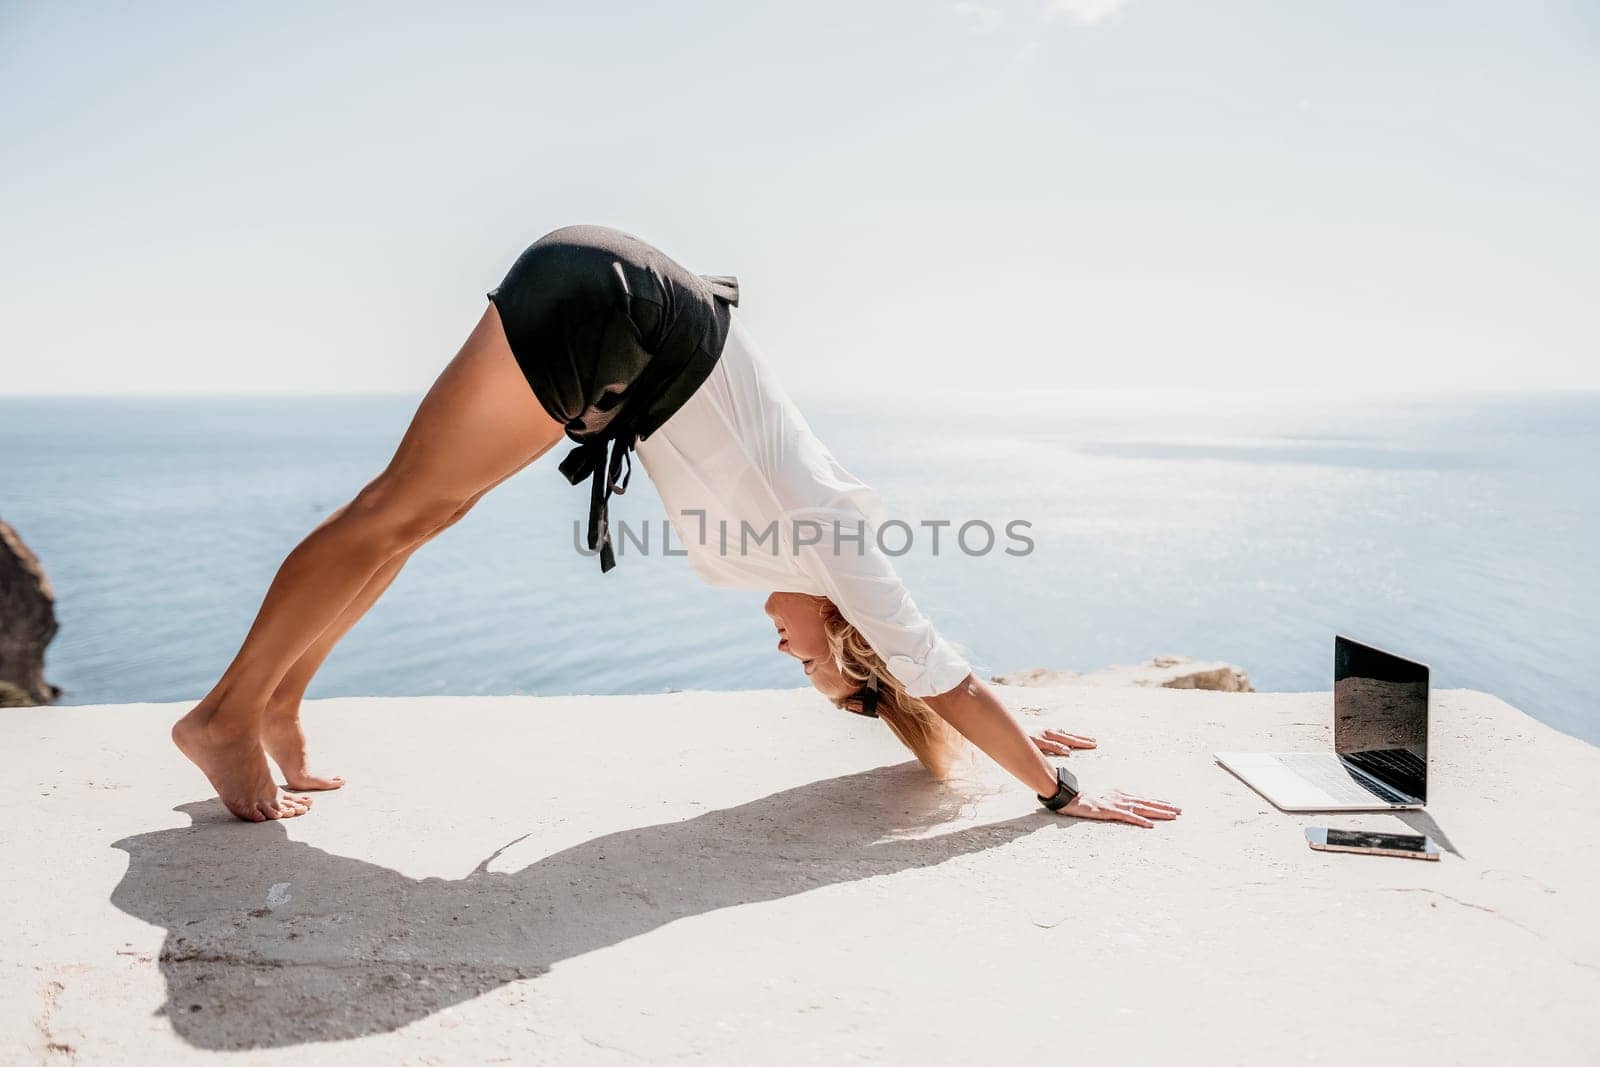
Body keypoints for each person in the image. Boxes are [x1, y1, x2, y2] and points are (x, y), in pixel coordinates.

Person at [172, 225, 1181, 829]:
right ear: (847, 638)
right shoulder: (839, 547)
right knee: (399, 505)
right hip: (626, 312)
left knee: (418, 512)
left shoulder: (797, 554)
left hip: (632, 314)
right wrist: (1055, 788)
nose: (782, 648)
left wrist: (983, 716)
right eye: (805, 660)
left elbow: (938, 681)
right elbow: (936, 671)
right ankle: (227, 712)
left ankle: (276, 705)